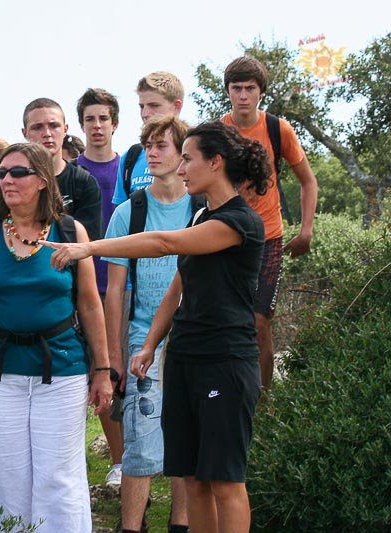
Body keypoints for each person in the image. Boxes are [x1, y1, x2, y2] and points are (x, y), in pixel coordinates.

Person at [45, 121, 270, 533]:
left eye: (188, 158)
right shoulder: (204, 213)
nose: (181, 167)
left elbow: (165, 244)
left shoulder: (240, 222)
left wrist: (89, 247)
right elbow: (177, 287)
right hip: (183, 358)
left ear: (215, 162)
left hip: (226, 363)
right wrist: (149, 345)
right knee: (192, 478)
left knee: (224, 481)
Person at [0, 142, 112, 532]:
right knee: (2, 475)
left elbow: (89, 304)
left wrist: (102, 369)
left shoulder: (72, 231)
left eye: (17, 172)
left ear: (41, 180)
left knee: (59, 475)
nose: (5, 179)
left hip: (62, 369)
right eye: (1, 172)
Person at [104, 115, 192, 532]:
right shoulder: (129, 211)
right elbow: (113, 291)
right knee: (140, 444)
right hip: (144, 342)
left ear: (183, 153)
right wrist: (114, 356)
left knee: (184, 441)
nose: (152, 154)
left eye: (162, 146)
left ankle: (180, 523)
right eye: (148, 146)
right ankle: (131, 527)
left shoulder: (203, 208)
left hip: (194, 339)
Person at [221, 56, 318, 392]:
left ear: (261, 92)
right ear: (229, 92)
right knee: (226, 322)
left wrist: (305, 231)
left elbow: (308, 181)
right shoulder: (217, 132)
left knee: (260, 323)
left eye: (250, 88)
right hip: (226, 237)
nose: (244, 95)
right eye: (237, 88)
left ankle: (264, 404)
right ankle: (230, 395)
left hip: (268, 238)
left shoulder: (279, 129)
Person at [73, 87, 124, 486]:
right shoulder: (71, 173)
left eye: (103, 118)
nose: (96, 125)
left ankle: (139, 457)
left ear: (115, 123)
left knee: (125, 371)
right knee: (97, 371)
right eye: (90, 118)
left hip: (124, 284)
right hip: (85, 286)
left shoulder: (132, 168)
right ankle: (120, 460)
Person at [22, 97, 102, 241]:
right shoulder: (14, 180)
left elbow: (87, 245)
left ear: (65, 130)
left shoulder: (83, 183)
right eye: (37, 127)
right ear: (25, 133)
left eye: (54, 126)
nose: (47, 133)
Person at [112, 72, 185, 205]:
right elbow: (121, 215)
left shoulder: (198, 154)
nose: (145, 114)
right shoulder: (130, 158)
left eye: (154, 105)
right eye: (142, 106)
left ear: (176, 106)